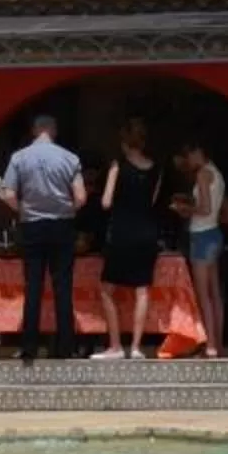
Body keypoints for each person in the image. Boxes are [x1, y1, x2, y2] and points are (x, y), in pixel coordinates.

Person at [3, 113, 87, 364]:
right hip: (61, 226)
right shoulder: (70, 158)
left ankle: (29, 346)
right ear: (54, 131)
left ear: (34, 130)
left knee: (34, 286)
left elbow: (8, 193)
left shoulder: (19, 158)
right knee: (62, 286)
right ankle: (65, 346)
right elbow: (81, 197)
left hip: (32, 226)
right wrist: (67, 210)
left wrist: (23, 211)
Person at [95, 117, 166, 360]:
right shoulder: (156, 169)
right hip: (147, 231)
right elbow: (154, 202)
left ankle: (115, 345)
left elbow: (106, 201)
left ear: (124, 142)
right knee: (142, 290)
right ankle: (136, 347)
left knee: (106, 289)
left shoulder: (118, 165)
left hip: (122, 232)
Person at [179, 141, 228, 356]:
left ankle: (209, 344)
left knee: (203, 294)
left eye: (189, 156)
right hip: (215, 233)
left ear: (198, 152)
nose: (189, 162)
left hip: (201, 235)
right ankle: (218, 343)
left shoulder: (203, 175)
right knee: (215, 292)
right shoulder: (216, 173)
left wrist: (186, 209)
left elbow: (205, 208)